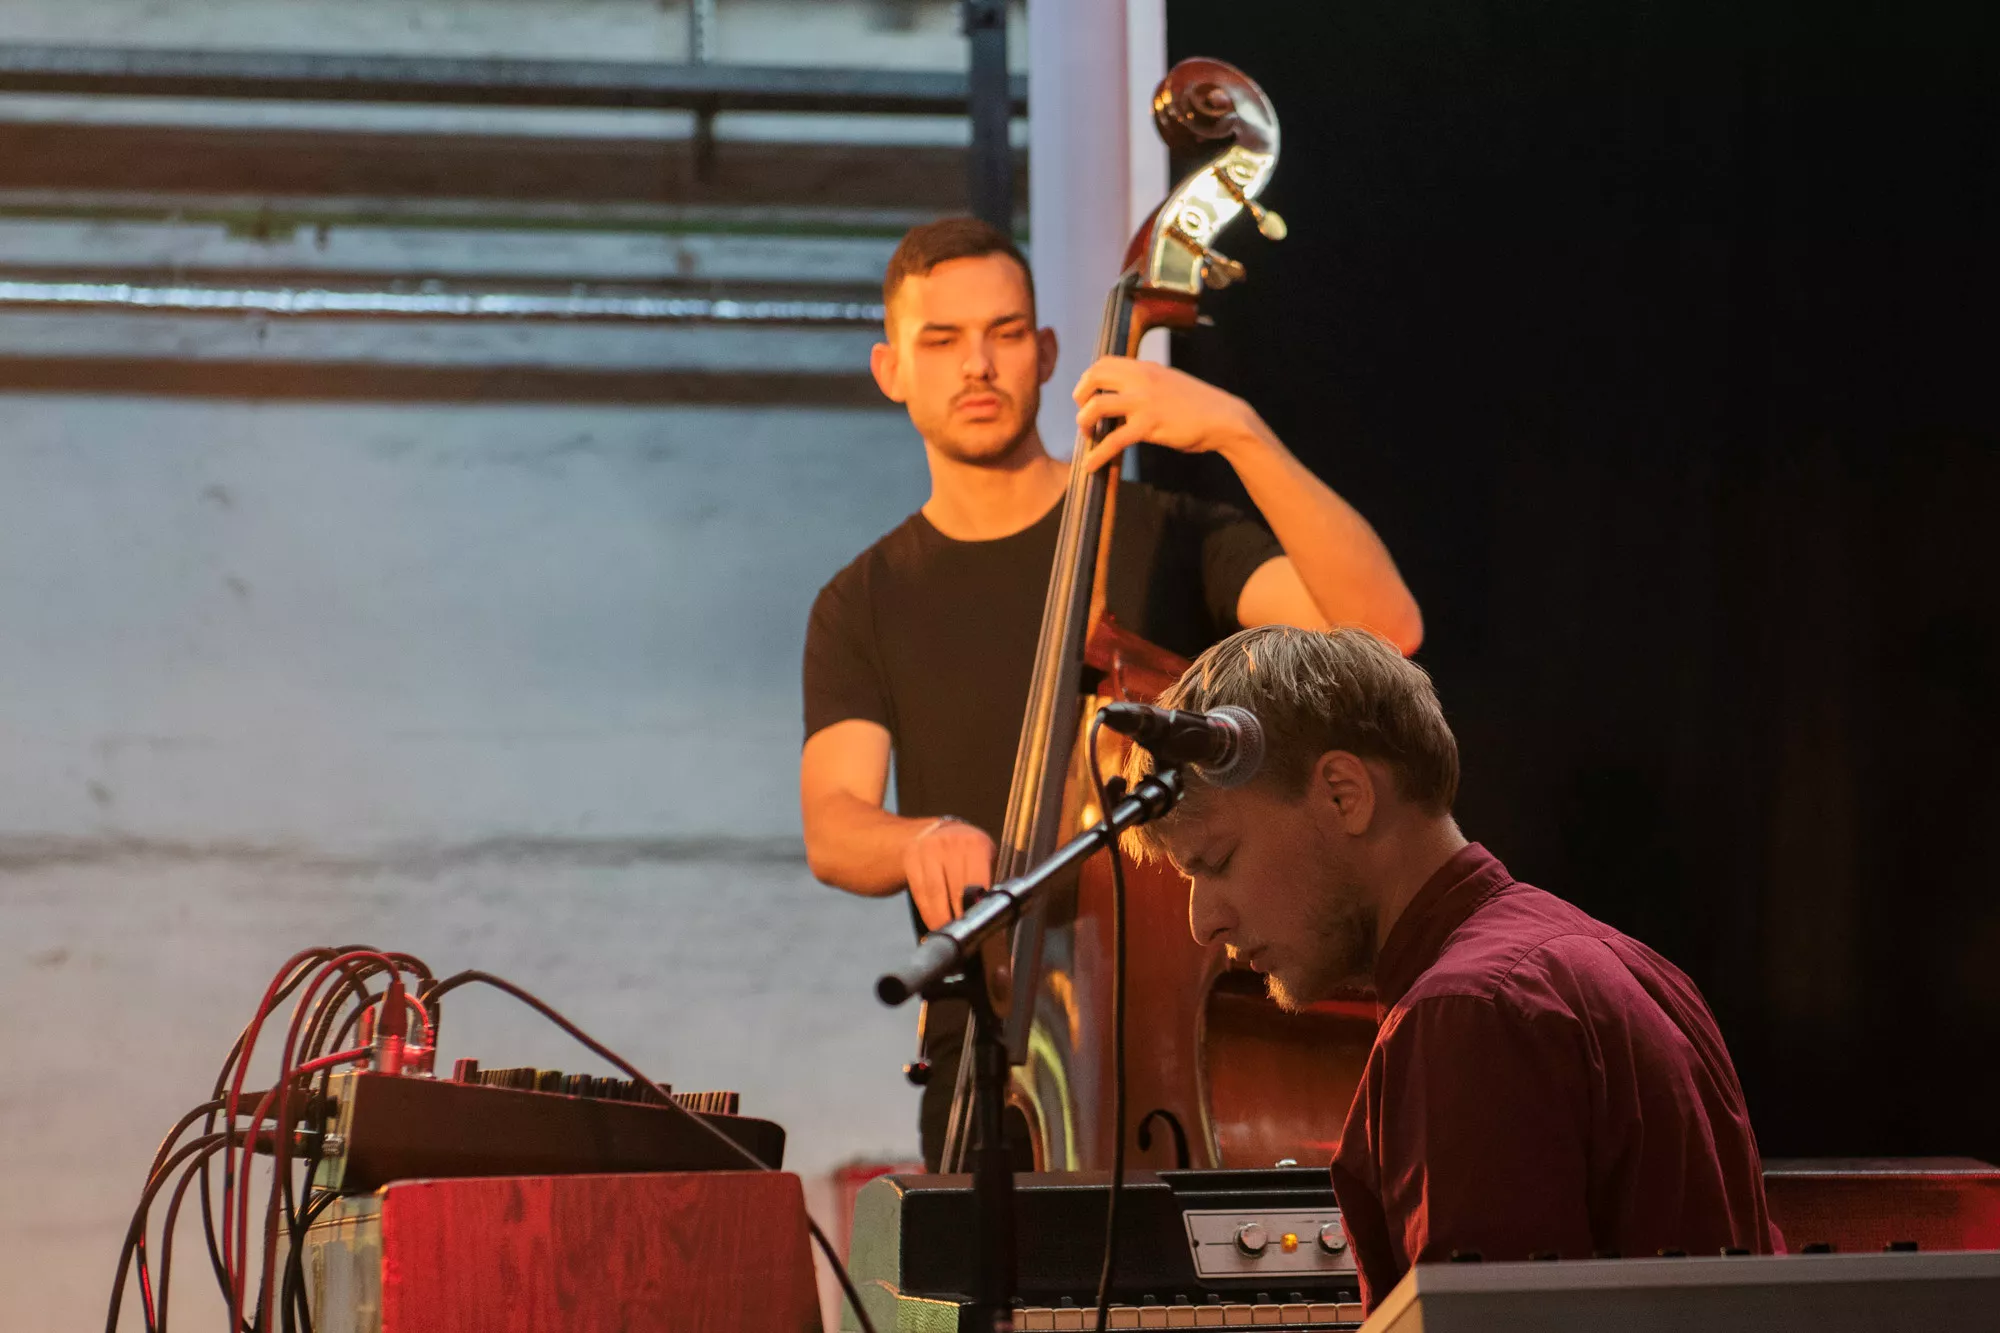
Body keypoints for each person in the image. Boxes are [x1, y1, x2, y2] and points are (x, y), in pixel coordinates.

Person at [800, 216, 1422, 1169]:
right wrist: (917, 838)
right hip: (989, 1057)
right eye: (942, 340)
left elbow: (1382, 631)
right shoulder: (862, 600)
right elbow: (834, 825)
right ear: (891, 368)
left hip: (1182, 1042)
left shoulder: (1167, 533)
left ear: (1047, 352)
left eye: (1005, 333)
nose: (978, 365)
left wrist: (1235, 432)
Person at [1125, 624, 1782, 1309]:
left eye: (1219, 860)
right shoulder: (1630, 964)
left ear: (1343, 793)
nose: (1205, 922)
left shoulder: (1465, 1012)